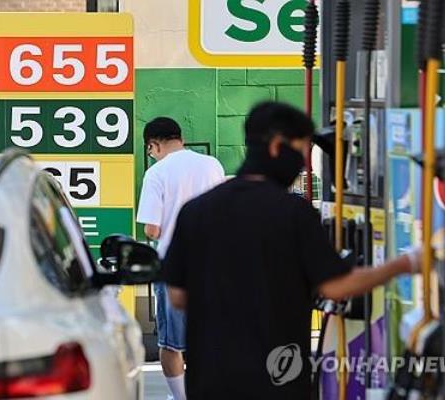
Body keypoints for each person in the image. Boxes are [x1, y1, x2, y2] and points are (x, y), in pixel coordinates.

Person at [162, 102, 422, 399]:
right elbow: (336, 287)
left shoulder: (196, 211)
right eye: (300, 151)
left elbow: (178, 296)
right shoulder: (292, 212)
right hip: (278, 378)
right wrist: (404, 263)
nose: (304, 163)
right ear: (275, 147)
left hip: (209, 380)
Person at [137, 117, 225, 400]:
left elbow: (152, 228)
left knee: (171, 344)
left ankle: (181, 397)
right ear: (180, 138)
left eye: (150, 150)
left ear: (153, 145)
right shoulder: (213, 165)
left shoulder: (156, 173)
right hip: (214, 266)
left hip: (174, 268)